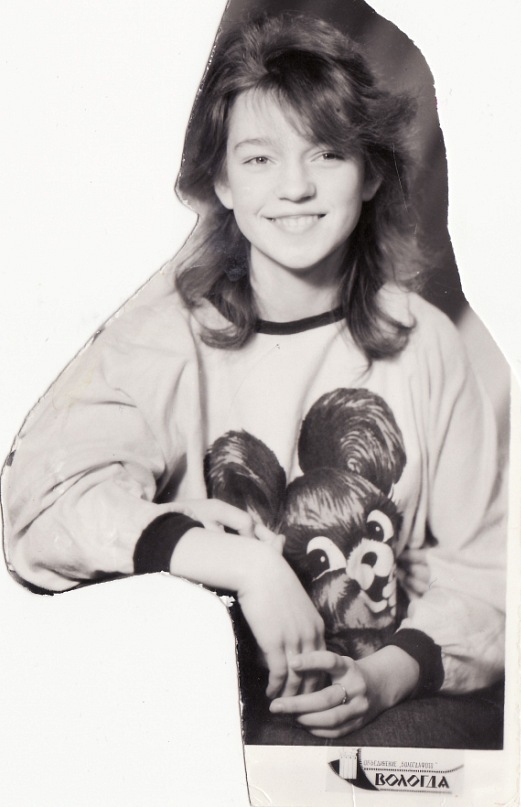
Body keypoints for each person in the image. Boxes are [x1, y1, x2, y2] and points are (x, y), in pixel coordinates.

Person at [2, 13, 506, 748]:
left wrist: (388, 675)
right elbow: (40, 509)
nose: (295, 187)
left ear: (369, 173)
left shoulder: (427, 341)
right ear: (222, 181)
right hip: (207, 714)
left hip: (389, 699)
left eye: (326, 153)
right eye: (260, 158)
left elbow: (493, 568)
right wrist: (243, 565)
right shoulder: (163, 335)